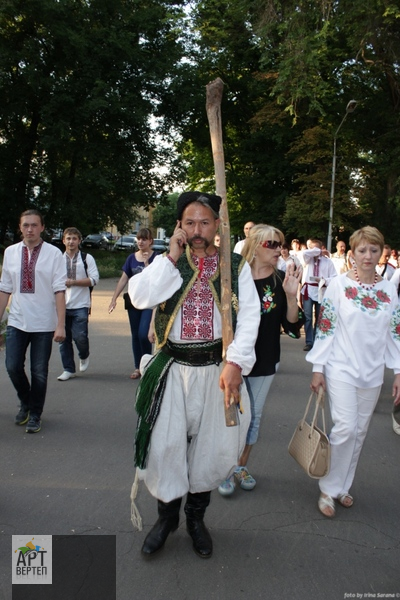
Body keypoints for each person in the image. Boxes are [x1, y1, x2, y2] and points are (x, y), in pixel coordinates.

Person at [129, 191, 260, 558]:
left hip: (217, 371)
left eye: (205, 222)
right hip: (173, 370)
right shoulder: (169, 262)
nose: (198, 230)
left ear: (217, 225)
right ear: (179, 227)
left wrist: (234, 362)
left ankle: (196, 519)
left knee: (210, 449)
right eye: (190, 222)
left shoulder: (235, 267)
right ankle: (166, 518)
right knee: (166, 447)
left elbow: (249, 318)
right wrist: (170, 255)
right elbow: (139, 297)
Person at [306, 226, 400, 518]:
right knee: (345, 427)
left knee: (359, 432)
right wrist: (318, 368)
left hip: (372, 373)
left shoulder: (388, 290)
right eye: (362, 250)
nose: (368, 256)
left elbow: (394, 332)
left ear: (381, 252)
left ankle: (344, 485)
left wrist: (398, 371)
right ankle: (328, 488)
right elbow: (326, 326)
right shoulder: (338, 285)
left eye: (374, 250)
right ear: (352, 254)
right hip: (341, 368)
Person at [218, 225, 304, 496]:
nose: (280, 249)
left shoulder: (280, 280)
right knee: (227, 414)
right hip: (229, 360)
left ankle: (239, 466)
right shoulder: (231, 279)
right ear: (254, 247)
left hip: (265, 360)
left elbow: (292, 328)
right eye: (273, 244)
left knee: (252, 417)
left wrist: (291, 296)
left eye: (281, 244)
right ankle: (223, 466)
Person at [0, 209, 66, 433]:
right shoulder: (10, 252)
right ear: (20, 227)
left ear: (42, 228)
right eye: (26, 225)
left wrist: (60, 324)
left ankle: (35, 413)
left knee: (39, 370)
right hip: (17, 320)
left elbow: (59, 290)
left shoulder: (54, 254)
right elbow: (5, 289)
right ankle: (26, 401)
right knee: (12, 366)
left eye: (34, 225)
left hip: (44, 323)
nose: (30, 229)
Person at [108, 228, 157, 379]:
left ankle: (147, 365)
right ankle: (138, 367)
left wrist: (148, 263)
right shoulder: (131, 258)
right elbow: (124, 278)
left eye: (144, 239)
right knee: (136, 335)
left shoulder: (157, 258)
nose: (141, 242)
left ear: (150, 241)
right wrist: (114, 298)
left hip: (149, 302)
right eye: (139, 239)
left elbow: (156, 279)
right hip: (134, 301)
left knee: (144, 334)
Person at [57, 228, 99, 381]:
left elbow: (94, 279)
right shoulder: (58, 259)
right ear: (63, 241)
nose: (71, 241)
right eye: (68, 238)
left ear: (79, 241)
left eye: (74, 238)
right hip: (61, 304)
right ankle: (68, 369)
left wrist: (74, 283)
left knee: (80, 336)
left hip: (81, 304)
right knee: (63, 339)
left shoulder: (87, 258)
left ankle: (84, 354)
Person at [300, 238, 337, 351]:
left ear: (322, 248)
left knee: (319, 318)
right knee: (308, 317)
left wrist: (325, 281)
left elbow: (334, 277)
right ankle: (309, 341)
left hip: (321, 291)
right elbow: (304, 253)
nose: (314, 251)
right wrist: (318, 251)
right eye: (312, 248)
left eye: (317, 248)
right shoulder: (308, 259)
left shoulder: (328, 262)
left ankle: (317, 340)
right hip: (308, 290)